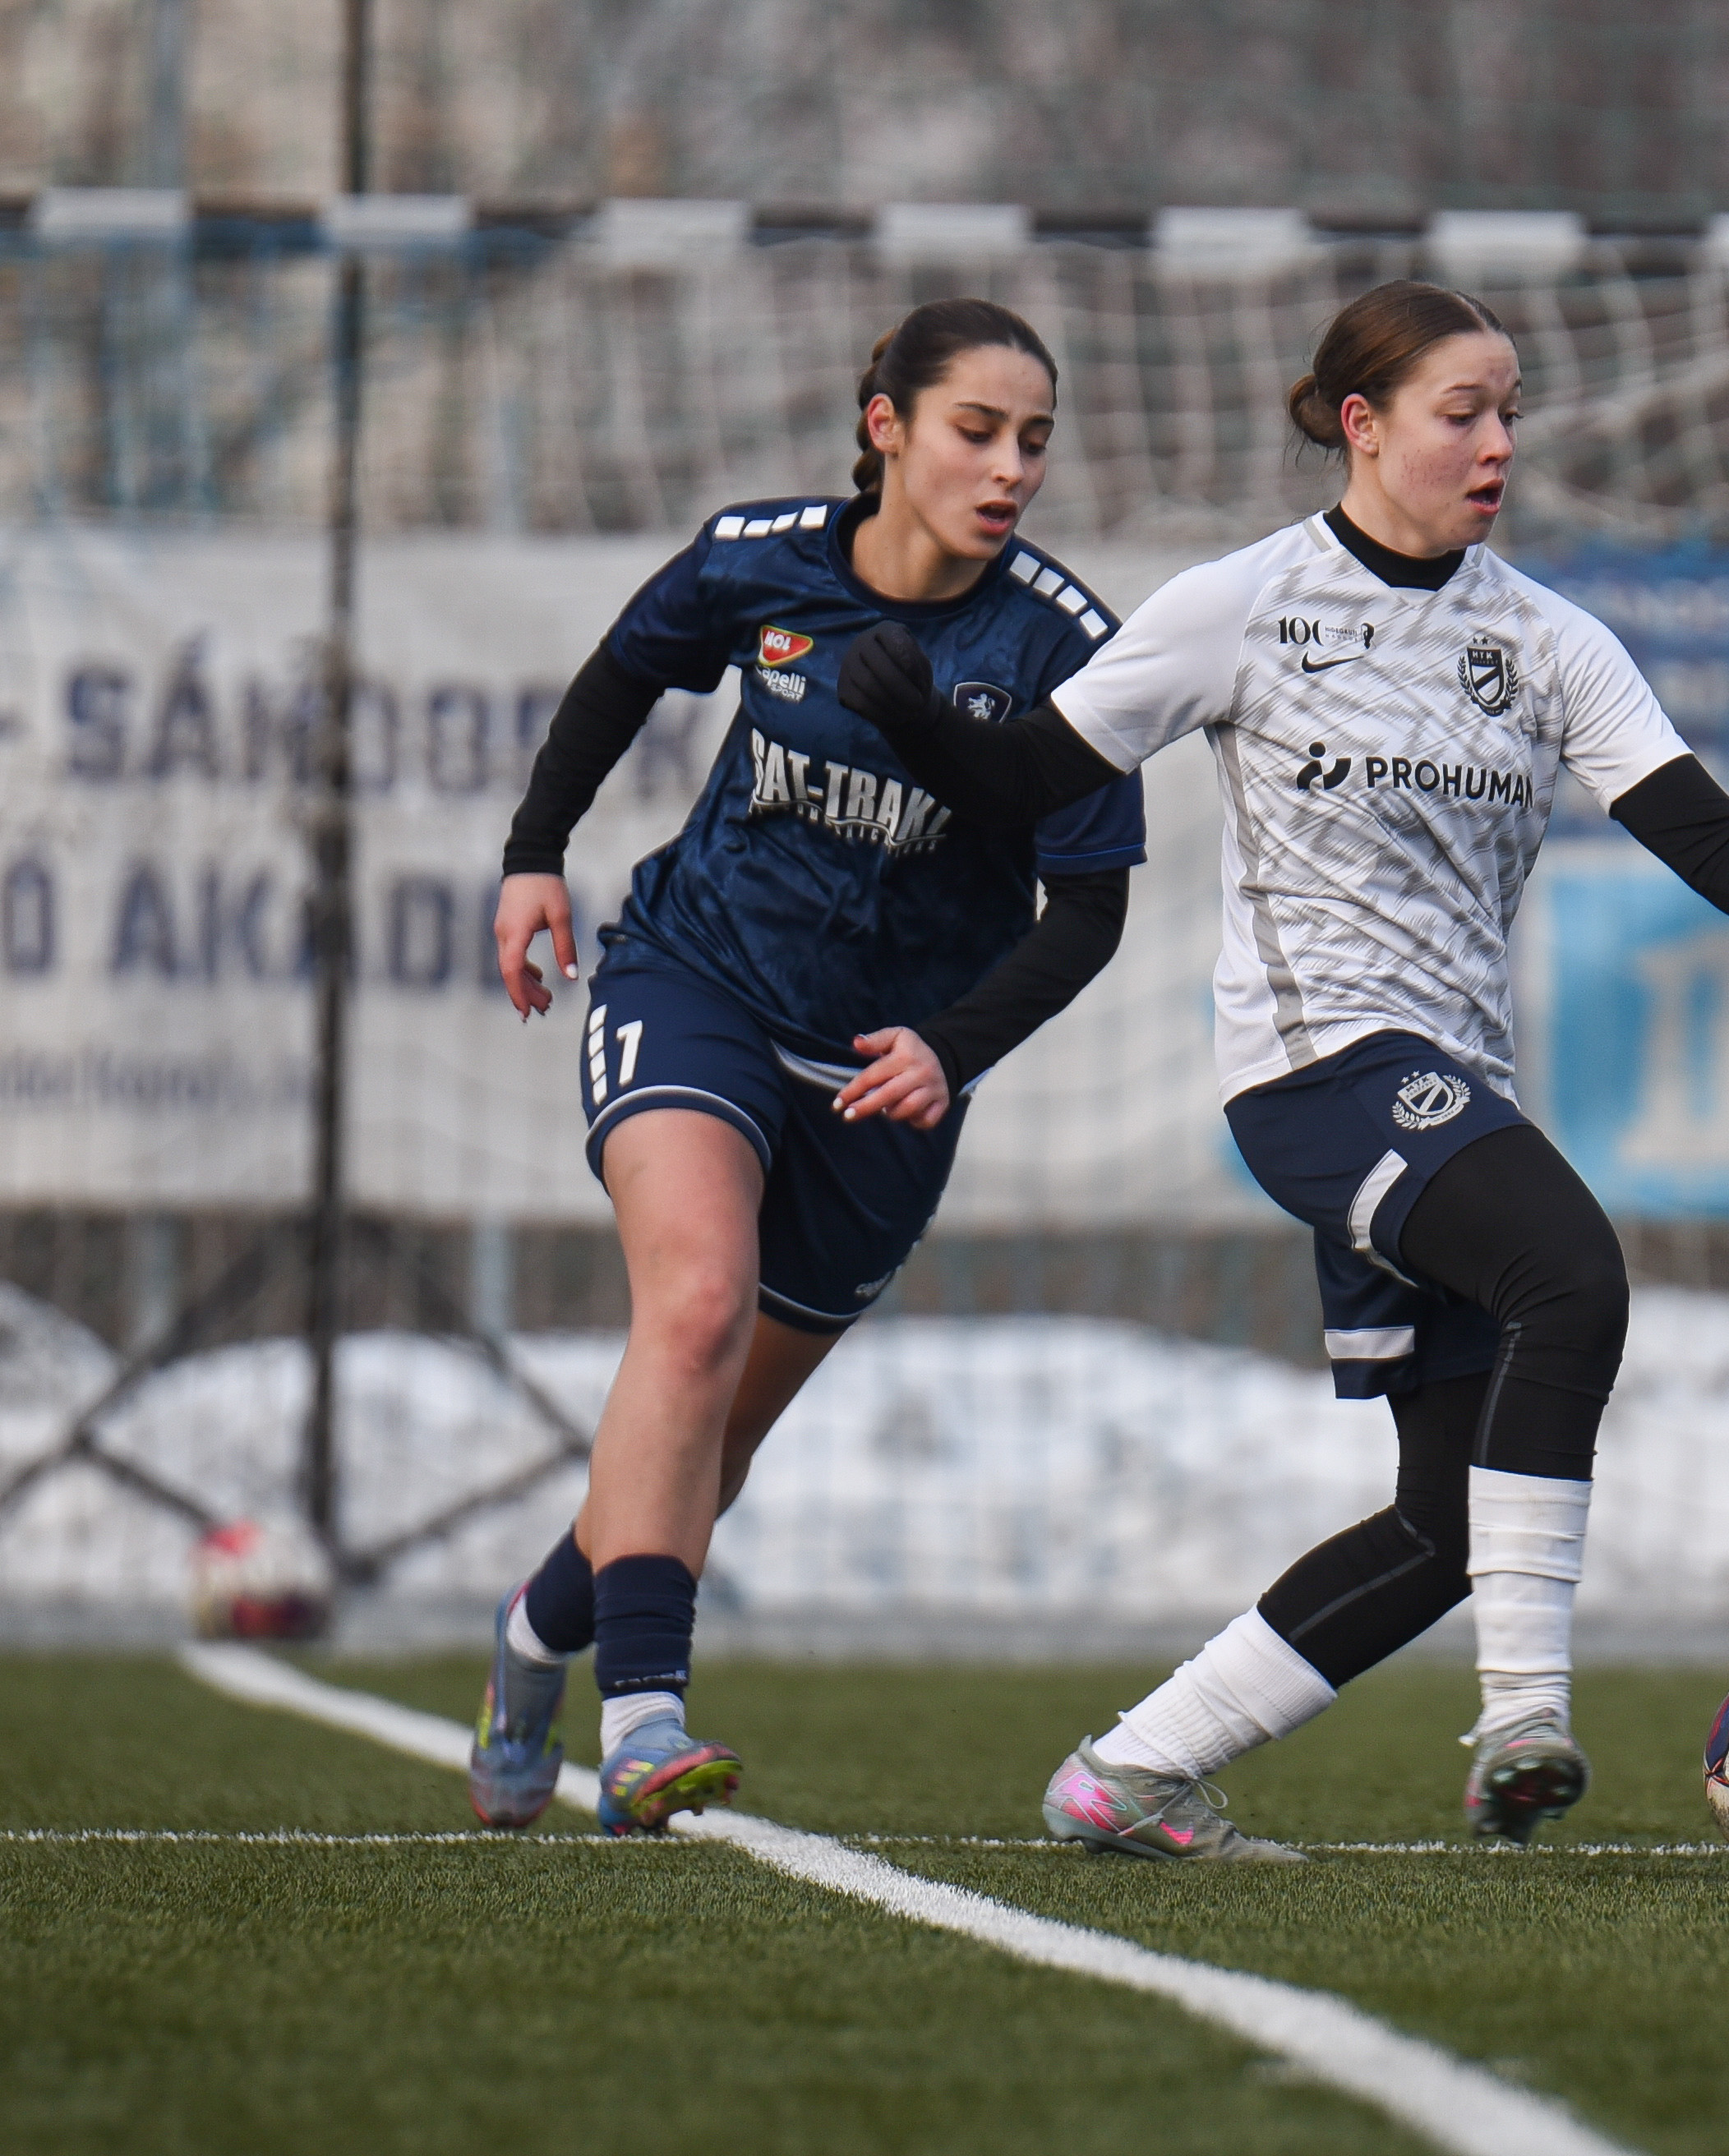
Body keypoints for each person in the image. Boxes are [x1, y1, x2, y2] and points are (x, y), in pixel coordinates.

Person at [835, 279, 1729, 1859]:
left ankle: (1128, 1775)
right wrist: (926, 728)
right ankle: (1524, 1719)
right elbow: (1034, 772)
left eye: (1511, 412)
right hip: (1312, 1075)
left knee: (1443, 1524)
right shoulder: (1245, 603)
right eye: (1464, 412)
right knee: (1571, 1276)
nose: (1499, 441)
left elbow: (1695, 826)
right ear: (1362, 425)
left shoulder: (1548, 638)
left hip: (1448, 1083)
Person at [467, 300, 1146, 1836]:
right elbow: (622, 674)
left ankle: (533, 1637)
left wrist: (951, 1047)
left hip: (886, 1079)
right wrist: (532, 859)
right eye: (978, 429)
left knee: (717, 1440)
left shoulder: (1060, 646)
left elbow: (1093, 906)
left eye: (1035, 439)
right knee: (691, 1307)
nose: (1012, 467)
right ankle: (643, 1723)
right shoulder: (758, 556)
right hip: (694, 981)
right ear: (884, 424)